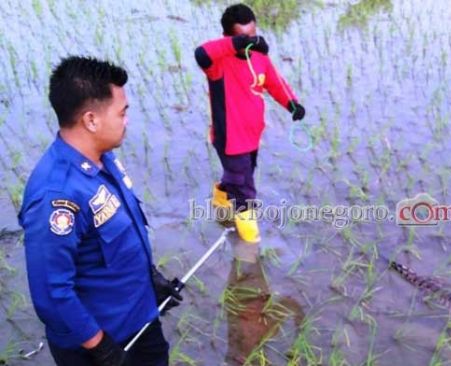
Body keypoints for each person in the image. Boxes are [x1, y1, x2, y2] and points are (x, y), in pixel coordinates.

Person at [18, 56, 183, 366]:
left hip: (141, 320)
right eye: (122, 113)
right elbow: (52, 291)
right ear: (91, 120)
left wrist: (152, 279)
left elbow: (121, 236)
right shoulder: (56, 196)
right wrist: (100, 346)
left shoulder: (103, 159)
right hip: (99, 347)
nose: (127, 120)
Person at [194, 3, 306, 244]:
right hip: (230, 138)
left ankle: (221, 199)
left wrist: (292, 104)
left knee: (240, 177)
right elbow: (201, 53)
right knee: (245, 190)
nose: (250, 42)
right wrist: (236, 45)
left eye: (253, 36)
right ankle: (250, 244)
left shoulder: (259, 57)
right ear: (229, 37)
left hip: (252, 136)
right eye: (243, 38)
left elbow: (276, 82)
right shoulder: (218, 64)